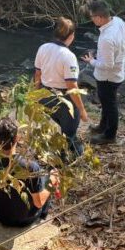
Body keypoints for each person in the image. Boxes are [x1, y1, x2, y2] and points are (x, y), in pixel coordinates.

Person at [0, 117, 58, 227]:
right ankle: (42, 216)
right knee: (46, 177)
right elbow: (39, 203)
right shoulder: (30, 167)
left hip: (1, 216)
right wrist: (53, 179)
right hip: (26, 219)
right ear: (17, 137)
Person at [34, 17, 89, 156]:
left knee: (62, 126)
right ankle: (68, 159)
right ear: (71, 36)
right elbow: (71, 86)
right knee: (69, 134)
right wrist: (82, 110)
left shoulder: (43, 47)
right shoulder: (68, 56)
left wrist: (36, 94)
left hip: (45, 96)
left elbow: (37, 74)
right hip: (63, 100)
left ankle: (62, 150)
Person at [82, 0, 125, 145]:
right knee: (106, 102)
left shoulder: (107, 38)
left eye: (92, 16)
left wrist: (91, 61)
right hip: (118, 72)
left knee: (110, 105)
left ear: (99, 17)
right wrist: (118, 52)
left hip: (108, 77)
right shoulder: (118, 21)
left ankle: (110, 136)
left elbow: (107, 65)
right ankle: (102, 127)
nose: (91, 19)